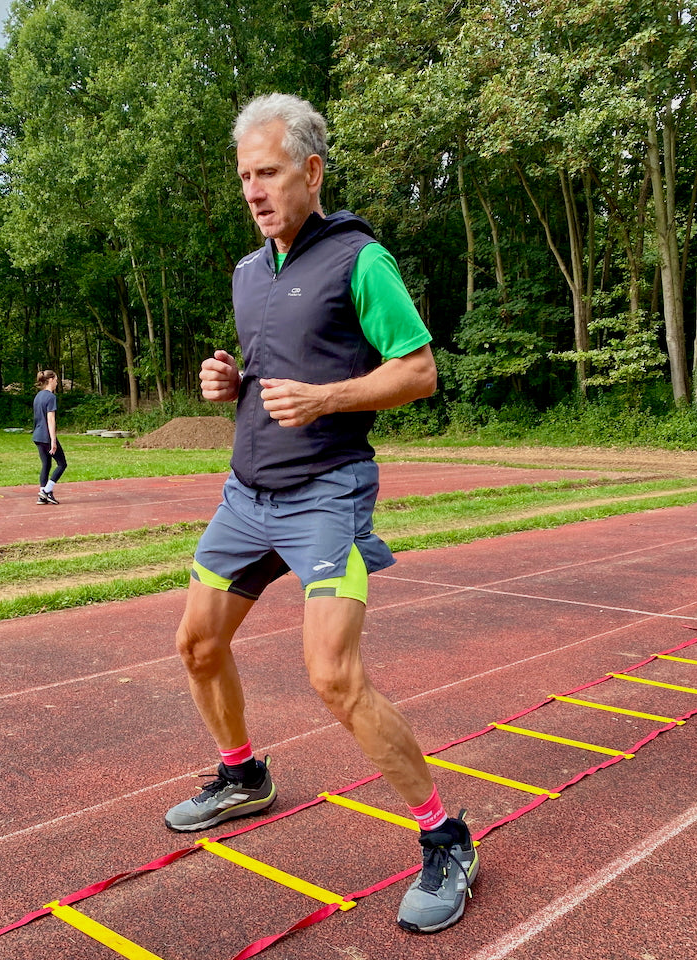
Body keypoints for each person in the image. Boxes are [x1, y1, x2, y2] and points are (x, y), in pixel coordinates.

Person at [163, 94, 478, 935]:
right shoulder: (247, 272)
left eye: (267, 173)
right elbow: (273, 373)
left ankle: (445, 837)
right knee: (196, 644)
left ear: (310, 171)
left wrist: (329, 397)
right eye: (244, 177)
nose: (253, 191)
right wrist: (231, 385)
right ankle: (243, 776)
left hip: (325, 493)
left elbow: (418, 373)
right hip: (246, 496)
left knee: (333, 675)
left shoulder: (359, 260)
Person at [32, 369, 67, 504]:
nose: (57, 383)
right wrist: (53, 440)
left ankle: (42, 496)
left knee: (46, 464)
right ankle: (46, 491)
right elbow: (50, 419)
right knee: (62, 464)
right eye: (56, 380)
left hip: (37, 435)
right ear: (50, 380)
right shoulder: (51, 397)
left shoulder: (38, 396)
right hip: (46, 436)